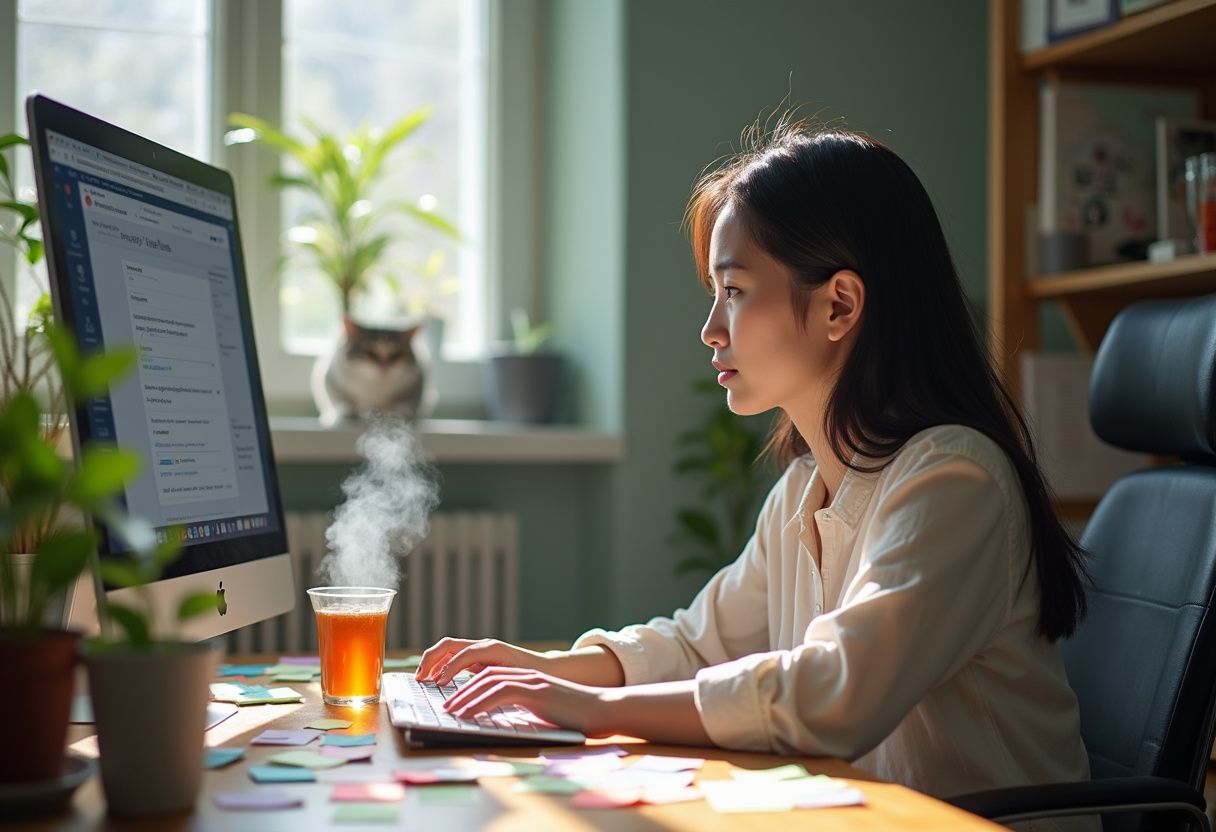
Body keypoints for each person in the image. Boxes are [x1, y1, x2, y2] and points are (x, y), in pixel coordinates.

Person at [415, 118, 1093, 814]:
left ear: (840, 305)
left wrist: (591, 708)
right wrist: (548, 670)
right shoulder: (806, 489)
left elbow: (836, 694)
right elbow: (701, 644)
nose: (710, 328)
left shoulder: (956, 483)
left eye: (734, 291)